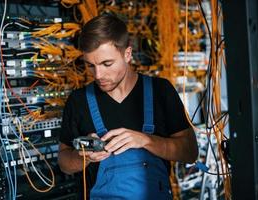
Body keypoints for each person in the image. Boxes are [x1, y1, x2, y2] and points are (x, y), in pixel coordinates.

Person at [58, 14, 198, 200]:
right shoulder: (78, 101)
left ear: (127, 54)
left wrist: (145, 141)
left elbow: (190, 152)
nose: (98, 74)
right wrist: (83, 157)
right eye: (90, 65)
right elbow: (64, 162)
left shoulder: (160, 91)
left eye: (107, 64)